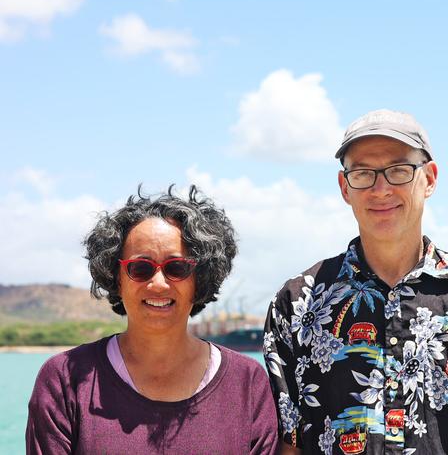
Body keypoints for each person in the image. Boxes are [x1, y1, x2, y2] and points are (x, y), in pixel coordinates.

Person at [264, 110, 448, 454]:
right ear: (344, 187)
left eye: (398, 171)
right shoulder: (298, 303)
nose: (381, 189)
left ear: (429, 178)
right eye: (364, 173)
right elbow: (288, 442)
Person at [27, 186, 279, 454]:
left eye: (177, 268)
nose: (158, 283)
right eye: (140, 268)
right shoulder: (65, 379)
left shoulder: (247, 383)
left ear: (200, 278)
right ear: (117, 278)